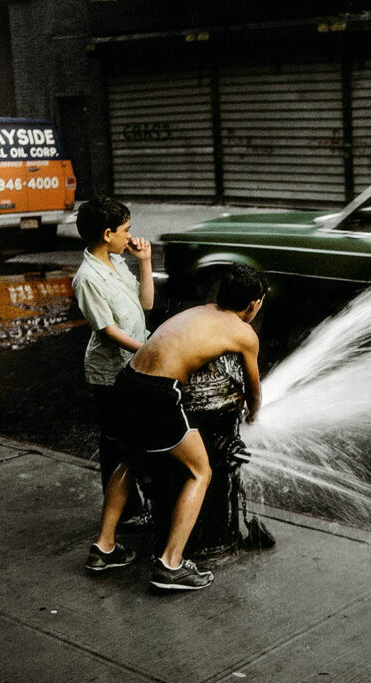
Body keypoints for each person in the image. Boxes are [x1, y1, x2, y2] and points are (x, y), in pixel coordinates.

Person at [85, 263, 266, 591]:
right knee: (201, 471)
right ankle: (171, 565)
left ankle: (104, 547)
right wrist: (253, 416)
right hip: (159, 394)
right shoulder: (244, 333)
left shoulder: (202, 310)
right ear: (253, 304)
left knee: (131, 459)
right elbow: (253, 389)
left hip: (127, 381)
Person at [71, 197, 154, 517]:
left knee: (136, 439)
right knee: (117, 445)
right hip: (111, 372)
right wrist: (148, 351)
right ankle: (126, 513)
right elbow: (107, 330)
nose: (130, 236)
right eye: (125, 230)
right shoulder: (87, 278)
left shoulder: (117, 262)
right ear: (107, 234)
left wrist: (145, 262)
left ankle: (136, 503)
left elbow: (146, 305)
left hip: (134, 362)